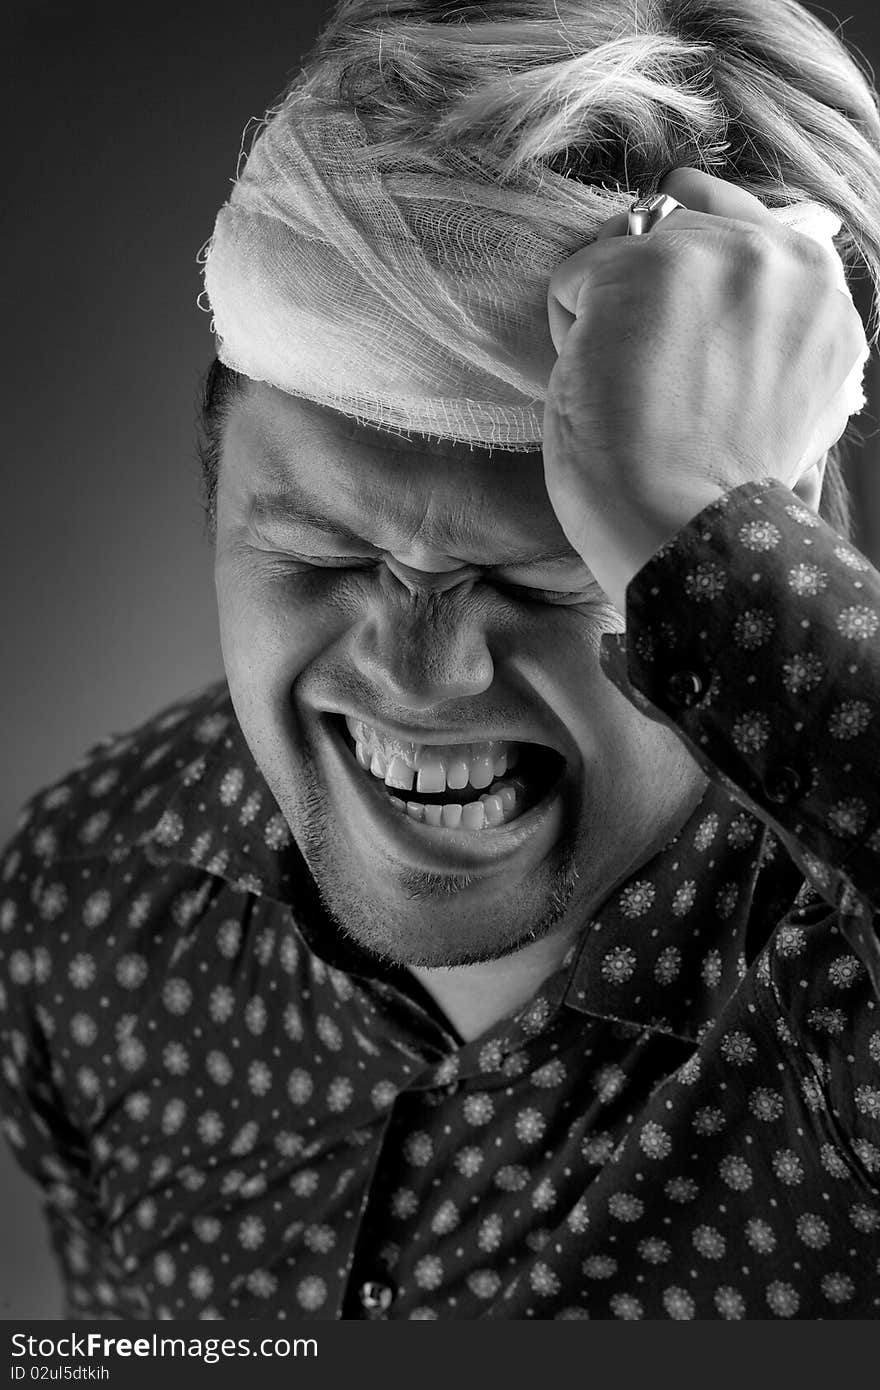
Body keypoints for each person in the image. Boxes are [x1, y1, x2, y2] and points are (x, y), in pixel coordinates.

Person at [2, 0, 880, 1322]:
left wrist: (675, 498)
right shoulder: (87, 916)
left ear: (749, 549)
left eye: (542, 574)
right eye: (321, 549)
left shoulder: (839, 989)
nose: (416, 671)